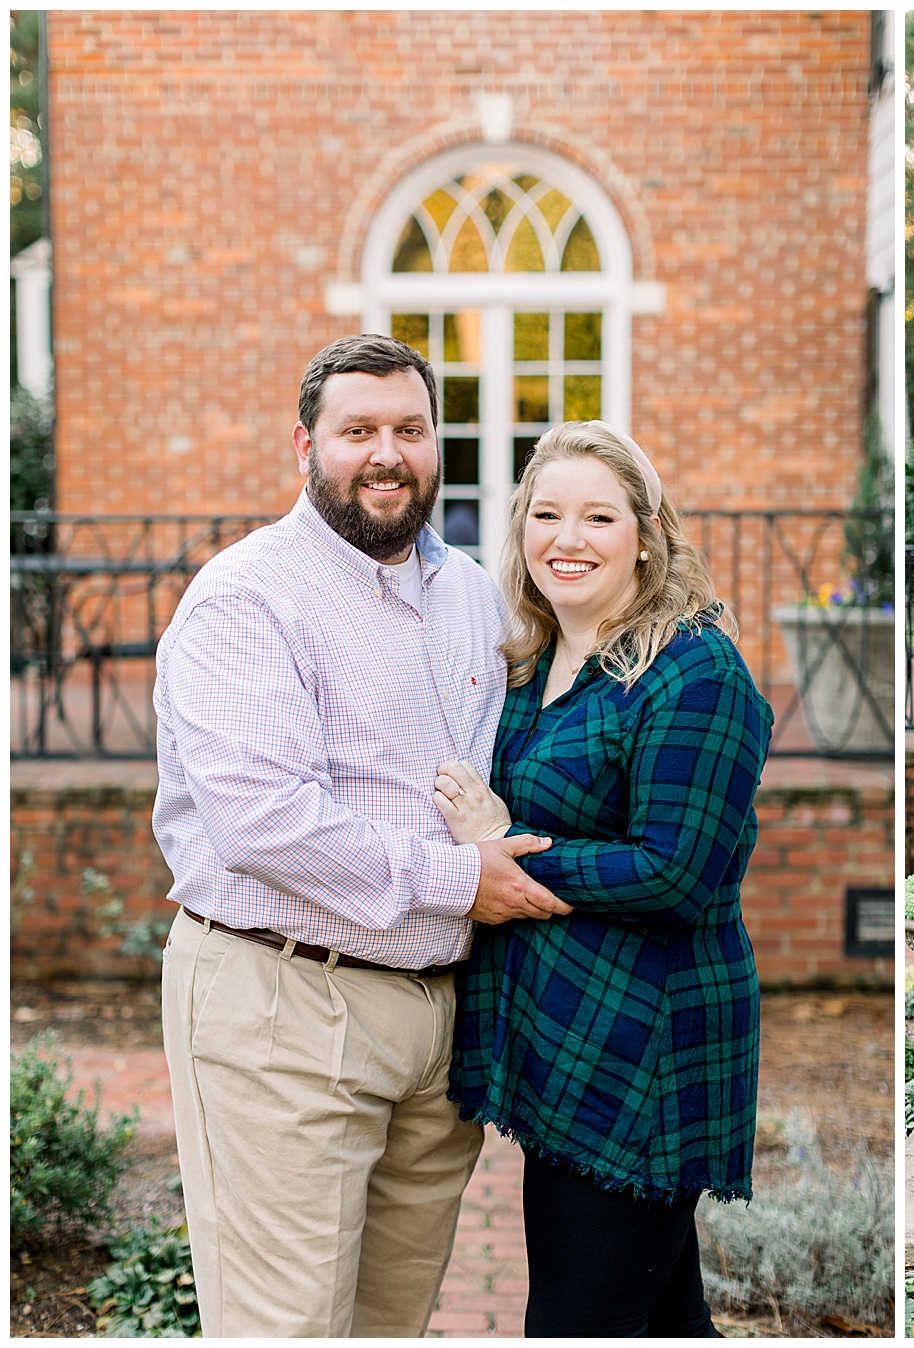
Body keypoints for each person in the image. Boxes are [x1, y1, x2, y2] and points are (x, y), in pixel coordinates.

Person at [153, 333, 574, 1336]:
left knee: (391, 1324)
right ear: (306, 443)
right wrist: (457, 877)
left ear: (439, 443)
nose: (386, 453)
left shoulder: (476, 593)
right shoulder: (248, 596)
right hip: (285, 1003)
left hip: (439, 1029)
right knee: (286, 1328)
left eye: (410, 429)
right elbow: (263, 820)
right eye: (358, 431)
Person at [431, 420, 772, 1338]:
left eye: (597, 517)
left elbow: (679, 872)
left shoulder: (694, 670)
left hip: (645, 1052)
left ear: (647, 535)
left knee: (577, 1324)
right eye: (545, 514)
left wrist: (510, 845)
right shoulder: (535, 661)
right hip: (566, 1039)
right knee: (661, 1319)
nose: (566, 540)